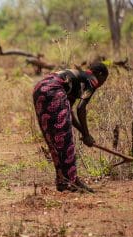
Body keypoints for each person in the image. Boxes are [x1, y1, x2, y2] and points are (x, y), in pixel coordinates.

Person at [33, 62, 109, 193]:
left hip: (40, 88)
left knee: (53, 138)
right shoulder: (93, 80)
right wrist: (86, 134)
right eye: (104, 80)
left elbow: (70, 113)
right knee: (65, 140)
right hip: (54, 90)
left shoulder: (77, 80)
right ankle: (72, 181)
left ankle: (62, 181)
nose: (102, 84)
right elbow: (81, 108)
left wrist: (84, 133)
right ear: (100, 75)